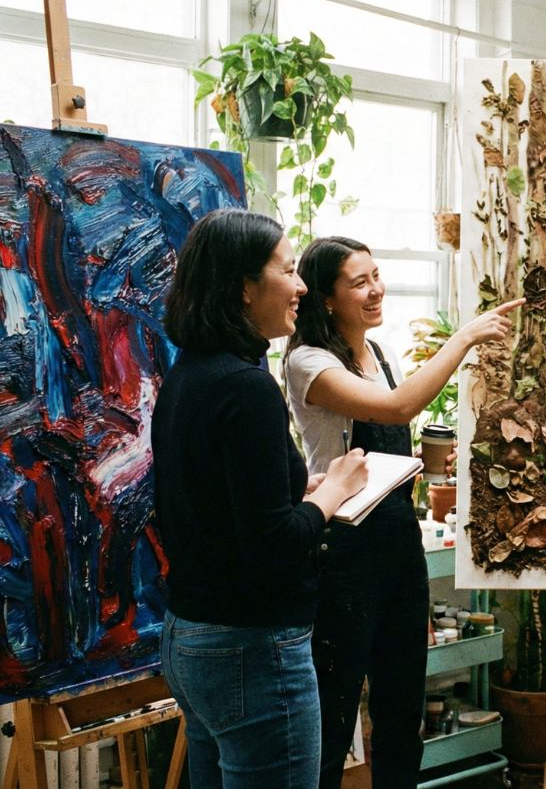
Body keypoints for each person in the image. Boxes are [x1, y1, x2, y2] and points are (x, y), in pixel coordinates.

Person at [283, 236, 523, 789]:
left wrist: (424, 462)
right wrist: (464, 338)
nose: (376, 290)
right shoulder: (308, 362)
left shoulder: (379, 354)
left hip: (398, 543)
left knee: (401, 708)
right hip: (343, 550)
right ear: (325, 298)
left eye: (376, 275)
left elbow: (392, 436)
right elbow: (397, 407)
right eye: (359, 283)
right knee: (334, 711)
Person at [153, 210, 368, 788]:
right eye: (288, 271)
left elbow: (214, 504)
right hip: (252, 646)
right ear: (244, 286)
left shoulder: (190, 374)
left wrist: (300, 490)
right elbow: (274, 544)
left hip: (190, 637)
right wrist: (334, 492)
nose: (301, 287)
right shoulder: (247, 387)